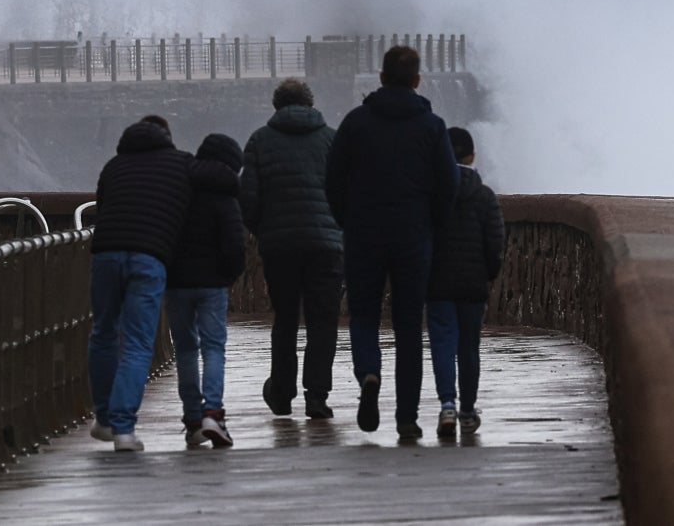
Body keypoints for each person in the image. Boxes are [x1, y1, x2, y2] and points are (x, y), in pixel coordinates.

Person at [325, 46, 458, 438]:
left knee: (364, 315)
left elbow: (333, 179)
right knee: (408, 328)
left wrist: (347, 220)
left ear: (380, 78)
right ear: (418, 80)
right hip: (413, 237)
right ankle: (407, 418)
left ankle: (369, 372)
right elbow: (448, 185)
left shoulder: (356, 123)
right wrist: (430, 224)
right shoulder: (432, 127)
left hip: (364, 233)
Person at [88, 114, 194, 452]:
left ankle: (104, 419)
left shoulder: (114, 166)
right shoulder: (182, 165)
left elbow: (102, 208)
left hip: (106, 253)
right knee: (136, 343)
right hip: (150, 255)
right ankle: (123, 428)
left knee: (103, 332)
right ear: (167, 136)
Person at [241, 78, 342, 419]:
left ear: (277, 106)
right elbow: (347, 194)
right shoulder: (331, 139)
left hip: (280, 246)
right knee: (323, 321)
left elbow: (249, 199)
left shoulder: (259, 140)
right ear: (310, 104)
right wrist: (336, 231)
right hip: (326, 247)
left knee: (285, 319)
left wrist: (265, 230)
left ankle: (282, 393)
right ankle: (317, 396)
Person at [165, 133, 245, 448]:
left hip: (177, 282)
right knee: (213, 347)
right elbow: (235, 245)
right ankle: (213, 412)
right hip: (212, 283)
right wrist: (228, 275)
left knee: (185, 349)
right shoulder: (225, 194)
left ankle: (193, 420)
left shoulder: (177, 190)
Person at [427, 126, 506, 437]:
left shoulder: (431, 194)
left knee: (443, 345)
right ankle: (468, 410)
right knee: (468, 347)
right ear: (473, 155)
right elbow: (495, 241)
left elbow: (422, 236)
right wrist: (489, 273)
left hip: (438, 283)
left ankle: (447, 404)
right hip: (473, 284)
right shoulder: (484, 196)